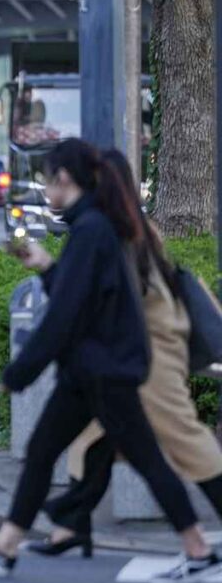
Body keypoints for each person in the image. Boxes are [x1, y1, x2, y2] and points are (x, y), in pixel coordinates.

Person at [0, 138, 221, 583]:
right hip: (91, 371)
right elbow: (79, 300)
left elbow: (65, 315)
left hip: (106, 373)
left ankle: (195, 549)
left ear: (64, 180)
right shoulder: (96, 229)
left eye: (47, 181)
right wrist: (44, 266)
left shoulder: (94, 231)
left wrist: (17, 374)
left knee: (151, 461)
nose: (45, 190)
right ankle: (8, 547)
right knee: (45, 452)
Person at [31, 149, 222, 556]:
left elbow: (102, 301)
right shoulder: (129, 226)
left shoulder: (116, 232)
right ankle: (72, 527)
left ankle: (192, 544)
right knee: (93, 440)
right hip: (138, 352)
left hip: (151, 355)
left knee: (183, 439)